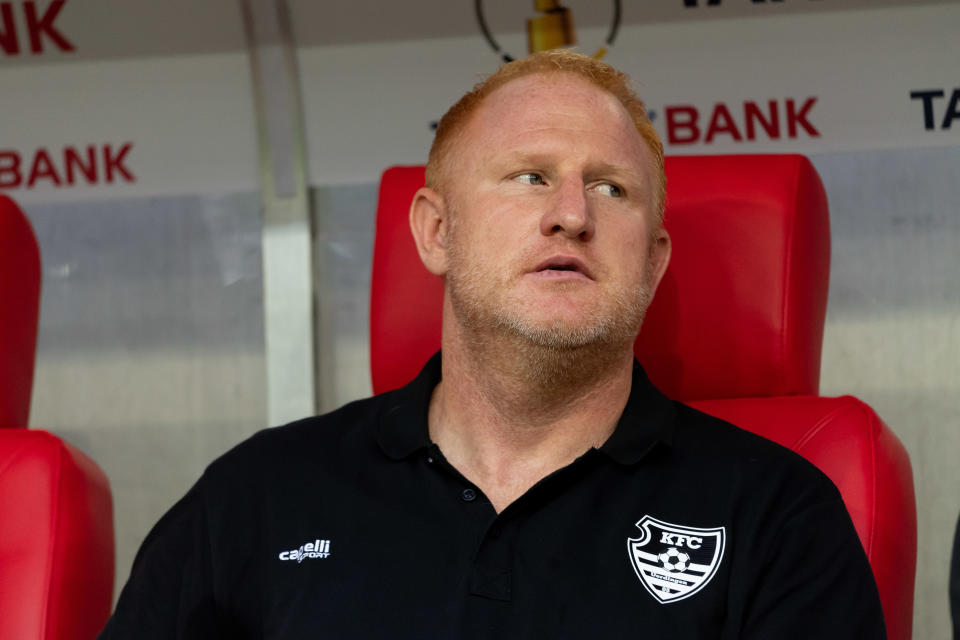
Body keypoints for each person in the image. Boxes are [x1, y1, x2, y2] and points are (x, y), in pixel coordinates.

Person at [99, 50, 885, 638]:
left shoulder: (778, 518)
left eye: (611, 188)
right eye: (529, 177)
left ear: (651, 263)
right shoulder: (258, 496)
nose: (572, 214)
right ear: (436, 230)